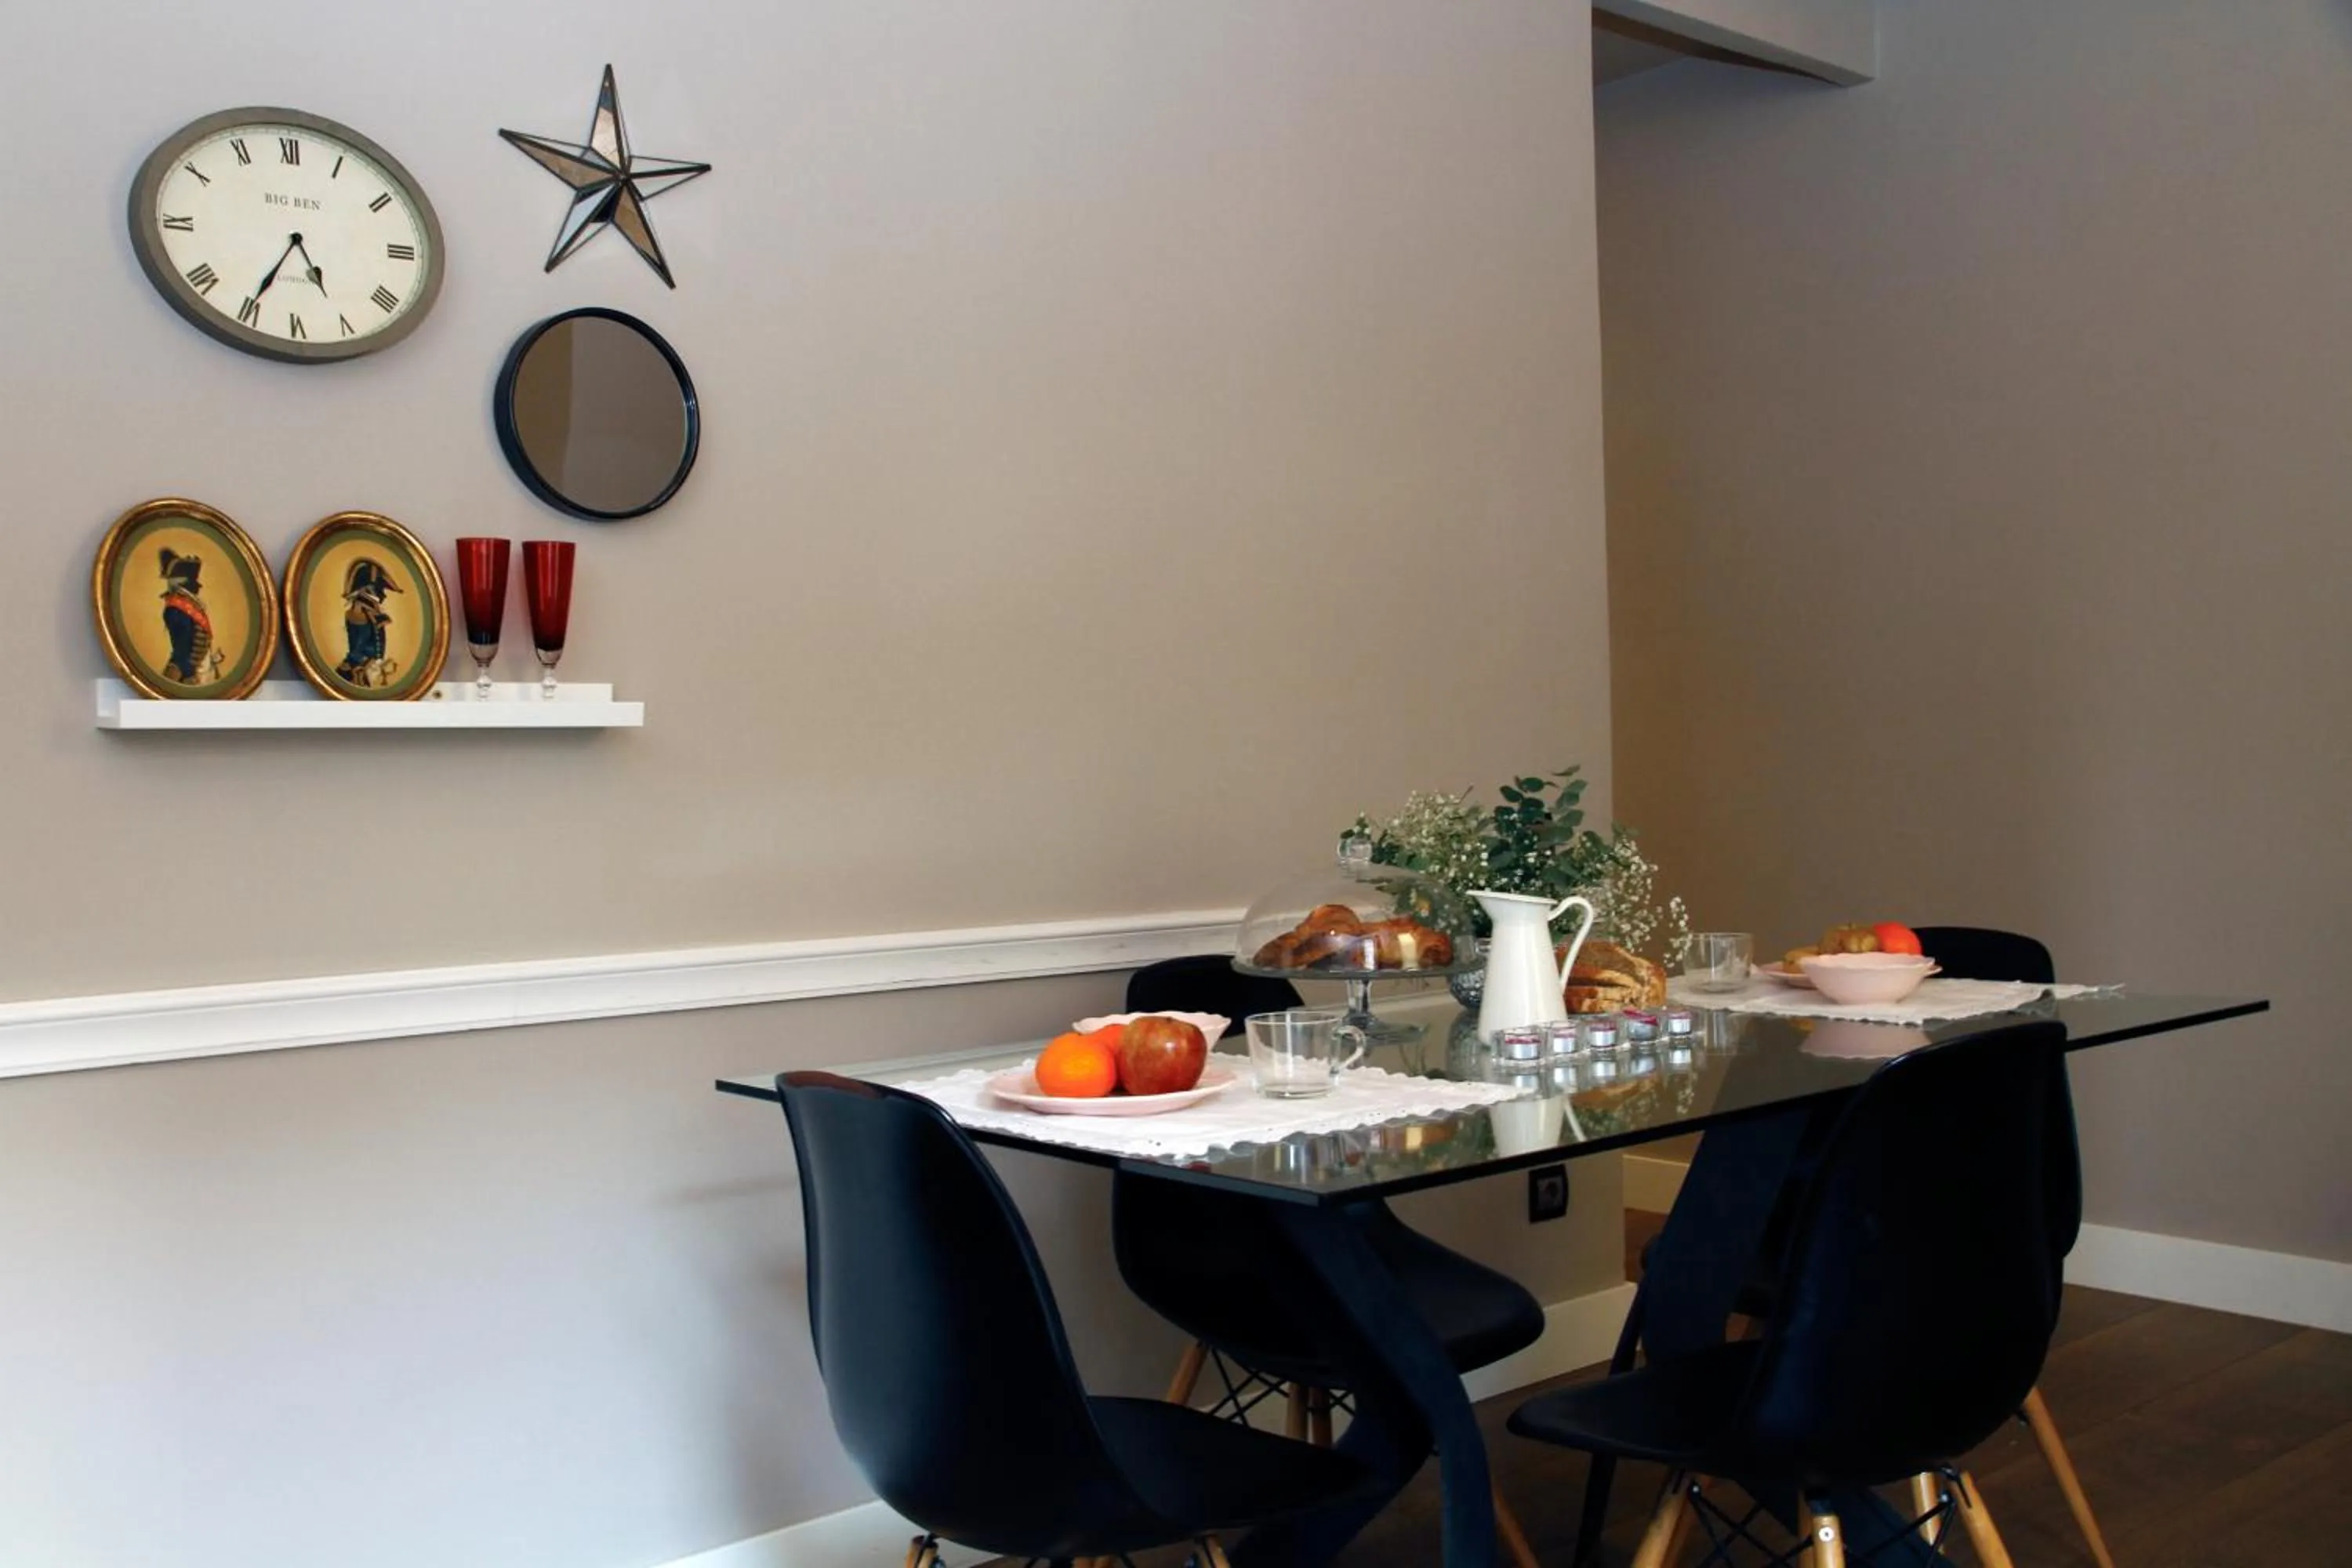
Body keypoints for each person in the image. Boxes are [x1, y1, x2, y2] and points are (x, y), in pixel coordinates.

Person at [336, 558, 403, 687]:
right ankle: (350, 674)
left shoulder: (370, 596)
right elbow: (364, 607)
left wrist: (380, 617)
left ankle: (359, 675)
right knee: (358, 653)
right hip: (362, 626)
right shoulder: (362, 595)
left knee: (371, 654)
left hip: (368, 626)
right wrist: (380, 617)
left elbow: (375, 609)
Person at [158, 548, 219, 686]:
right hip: (187, 674)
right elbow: (182, 650)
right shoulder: (176, 610)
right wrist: (188, 675)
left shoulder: (190, 605)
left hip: (198, 669)